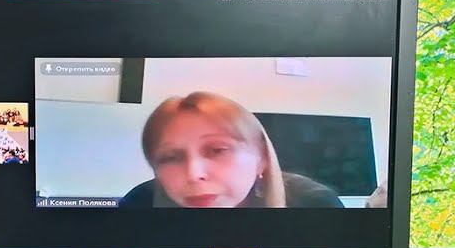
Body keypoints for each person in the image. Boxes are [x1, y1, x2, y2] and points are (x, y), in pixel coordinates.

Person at [120, 91, 344, 209]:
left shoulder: (314, 203)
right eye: (171, 157)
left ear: (261, 158)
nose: (194, 174)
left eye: (217, 150)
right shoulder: (140, 203)